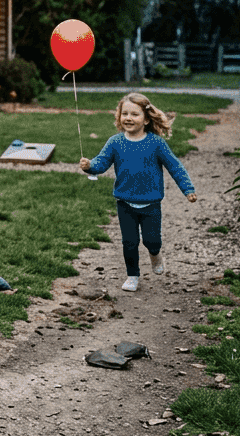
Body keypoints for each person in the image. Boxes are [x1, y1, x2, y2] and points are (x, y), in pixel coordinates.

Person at [79, 92, 198, 293]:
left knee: (152, 240)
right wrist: (90, 166)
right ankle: (132, 275)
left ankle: (155, 254)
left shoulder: (156, 144)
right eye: (124, 113)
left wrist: (188, 189)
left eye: (134, 114)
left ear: (146, 119)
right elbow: (102, 162)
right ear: (119, 116)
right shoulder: (115, 142)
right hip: (125, 202)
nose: (128, 118)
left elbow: (175, 166)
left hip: (151, 203)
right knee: (129, 242)